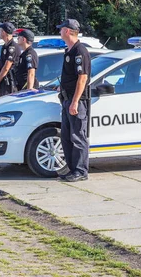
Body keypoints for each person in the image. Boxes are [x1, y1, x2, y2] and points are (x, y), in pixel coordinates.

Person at [57, 19, 91, 182]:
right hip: (66, 99)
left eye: (61, 29)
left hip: (75, 101)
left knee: (78, 137)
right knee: (66, 137)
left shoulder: (80, 51)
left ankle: (80, 171)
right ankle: (72, 169)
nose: (59, 31)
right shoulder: (69, 50)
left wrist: (75, 101)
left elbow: (82, 79)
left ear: (68, 31)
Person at [0, 22, 21, 96]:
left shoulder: (12, 47)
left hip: (10, 82)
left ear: (4, 32)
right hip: (3, 81)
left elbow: (6, 67)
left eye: (0, 31)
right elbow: (0, 65)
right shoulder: (5, 46)